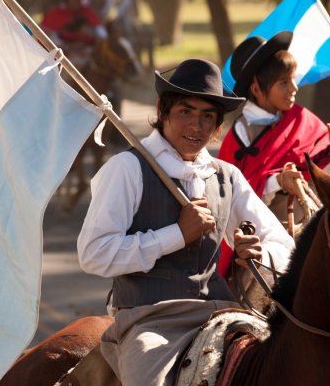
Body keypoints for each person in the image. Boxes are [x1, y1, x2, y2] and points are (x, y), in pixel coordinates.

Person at [76, 58, 294, 385]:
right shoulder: (127, 169)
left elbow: (287, 247)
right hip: (148, 322)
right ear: (163, 111)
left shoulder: (226, 177)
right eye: (185, 112)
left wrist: (259, 255)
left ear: (218, 124)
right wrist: (177, 234)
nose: (196, 126)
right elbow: (94, 253)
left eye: (208, 117)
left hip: (221, 314)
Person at [217, 31, 330, 277]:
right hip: (262, 246)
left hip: (314, 230)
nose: (294, 88)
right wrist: (277, 180)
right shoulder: (236, 141)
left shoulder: (300, 118)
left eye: (293, 79)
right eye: (284, 82)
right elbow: (231, 202)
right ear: (256, 88)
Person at [41, 0, 107, 67]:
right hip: (62, 59)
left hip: (88, 57)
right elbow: (44, 36)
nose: (78, 0)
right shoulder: (55, 14)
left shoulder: (88, 13)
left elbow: (102, 35)